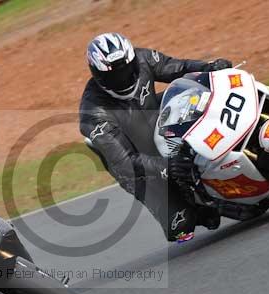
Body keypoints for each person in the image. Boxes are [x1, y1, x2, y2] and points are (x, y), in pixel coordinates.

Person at [79, 32, 232, 242]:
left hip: (153, 120)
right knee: (181, 226)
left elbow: (178, 68)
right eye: (115, 75)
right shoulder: (93, 114)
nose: (124, 77)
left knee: (190, 92)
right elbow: (126, 163)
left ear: (132, 59)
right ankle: (199, 204)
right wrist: (167, 166)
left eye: (127, 69)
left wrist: (209, 68)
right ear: (99, 76)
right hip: (135, 161)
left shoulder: (143, 58)